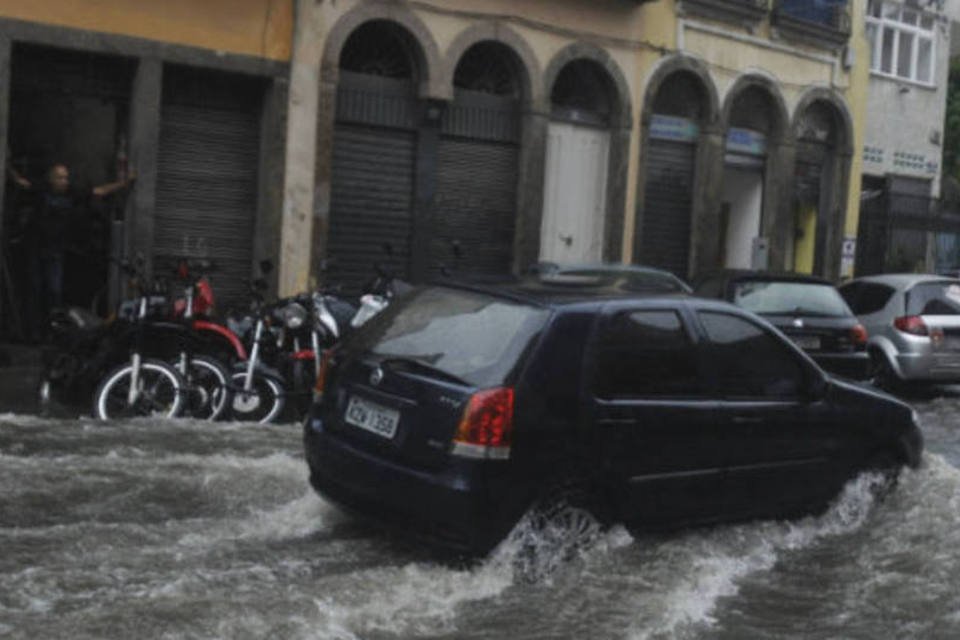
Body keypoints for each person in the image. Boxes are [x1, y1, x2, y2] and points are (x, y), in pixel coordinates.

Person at [7, 162, 136, 339]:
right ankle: (33, 333)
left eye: (66, 177)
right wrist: (7, 165)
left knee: (54, 292)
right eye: (60, 177)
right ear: (51, 179)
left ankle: (52, 333)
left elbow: (99, 191)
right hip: (36, 248)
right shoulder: (41, 190)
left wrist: (124, 183)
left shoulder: (73, 193)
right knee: (35, 291)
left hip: (55, 251)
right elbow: (21, 183)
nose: (64, 181)